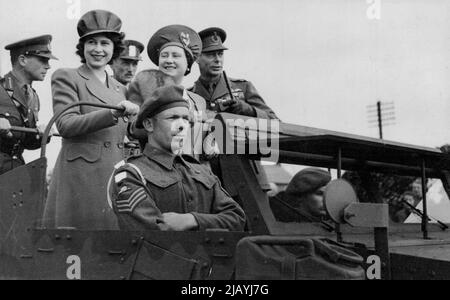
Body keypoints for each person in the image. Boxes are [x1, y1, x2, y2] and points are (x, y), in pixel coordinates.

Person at [43, 10, 139, 230]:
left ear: (114, 48)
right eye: (91, 42)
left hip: (114, 176)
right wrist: (112, 114)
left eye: (105, 43)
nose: (98, 49)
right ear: (82, 47)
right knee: (78, 246)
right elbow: (65, 124)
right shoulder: (67, 76)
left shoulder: (120, 88)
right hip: (81, 177)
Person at [108, 85, 246, 231]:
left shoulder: (201, 171)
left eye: (186, 119)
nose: (182, 126)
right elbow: (152, 230)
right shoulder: (132, 174)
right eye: (173, 118)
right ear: (148, 124)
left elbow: (237, 218)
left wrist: (192, 220)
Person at [127, 25, 208, 157]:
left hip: (191, 172)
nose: (169, 60)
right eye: (164, 55)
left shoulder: (198, 101)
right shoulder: (144, 87)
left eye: (176, 56)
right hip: (157, 168)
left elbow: (199, 142)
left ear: (188, 63)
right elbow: (133, 130)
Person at [189, 27, 278, 119]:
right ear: (197, 58)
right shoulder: (189, 95)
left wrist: (249, 111)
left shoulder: (243, 87)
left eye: (220, 54)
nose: (218, 60)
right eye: (211, 54)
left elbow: (275, 122)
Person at [0, 35, 57, 175]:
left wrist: (43, 135)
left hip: (14, 172)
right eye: (43, 60)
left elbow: (25, 143)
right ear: (23, 60)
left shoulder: (33, 97)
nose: (48, 66)